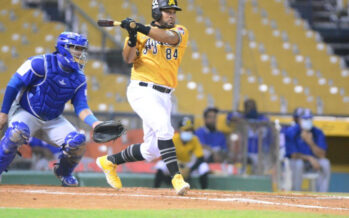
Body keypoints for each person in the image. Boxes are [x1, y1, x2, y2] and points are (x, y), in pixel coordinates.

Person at [95, 0, 190, 195]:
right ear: (156, 12)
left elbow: (168, 39)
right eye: (166, 11)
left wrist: (139, 27)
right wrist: (131, 36)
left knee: (152, 150)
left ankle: (109, 162)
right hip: (142, 90)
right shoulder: (140, 33)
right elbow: (129, 58)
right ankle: (177, 178)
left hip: (165, 95)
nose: (171, 15)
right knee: (165, 129)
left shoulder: (180, 31)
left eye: (173, 11)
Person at [0, 32, 101, 187]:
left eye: (82, 49)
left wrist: (95, 124)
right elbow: (13, 85)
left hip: (53, 119)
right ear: (63, 47)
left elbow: (81, 106)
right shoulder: (39, 63)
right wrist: (3, 113)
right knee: (16, 132)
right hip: (26, 112)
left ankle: (64, 172)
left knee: (77, 141)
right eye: (76, 48)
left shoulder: (79, 77)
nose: (80, 53)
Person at [154, 117, 210, 189]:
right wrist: (176, 169)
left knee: (204, 166)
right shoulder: (174, 138)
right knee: (160, 165)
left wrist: (190, 170)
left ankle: (204, 190)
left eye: (190, 130)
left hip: (188, 165)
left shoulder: (194, 139)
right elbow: (165, 156)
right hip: (175, 163)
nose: (189, 132)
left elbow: (201, 158)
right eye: (186, 130)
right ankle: (155, 188)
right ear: (180, 130)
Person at [285, 108, 331, 192]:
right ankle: (296, 192)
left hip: (314, 164)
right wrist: (310, 158)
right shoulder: (291, 132)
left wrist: (310, 142)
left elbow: (322, 155)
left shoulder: (318, 132)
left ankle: (322, 194)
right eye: (305, 118)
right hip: (298, 163)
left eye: (309, 118)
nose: (307, 121)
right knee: (298, 164)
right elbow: (293, 155)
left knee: (325, 163)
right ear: (299, 119)